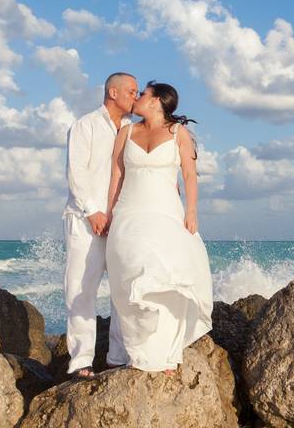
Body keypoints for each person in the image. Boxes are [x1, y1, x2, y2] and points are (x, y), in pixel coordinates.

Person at [103, 80, 213, 376]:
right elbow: (117, 174)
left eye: (143, 94)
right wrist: (110, 213)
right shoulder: (126, 132)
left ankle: (164, 351)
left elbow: (190, 176)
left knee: (165, 277)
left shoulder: (179, 134)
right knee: (128, 276)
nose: (137, 98)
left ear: (156, 101)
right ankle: (128, 349)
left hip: (165, 214)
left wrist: (191, 212)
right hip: (128, 212)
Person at [62, 72, 138, 380]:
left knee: (122, 290)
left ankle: (117, 357)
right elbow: (75, 171)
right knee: (81, 288)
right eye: (132, 91)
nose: (136, 96)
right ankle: (81, 361)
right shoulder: (86, 125)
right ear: (113, 92)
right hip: (85, 220)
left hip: (120, 222)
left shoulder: (132, 129)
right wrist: (93, 211)